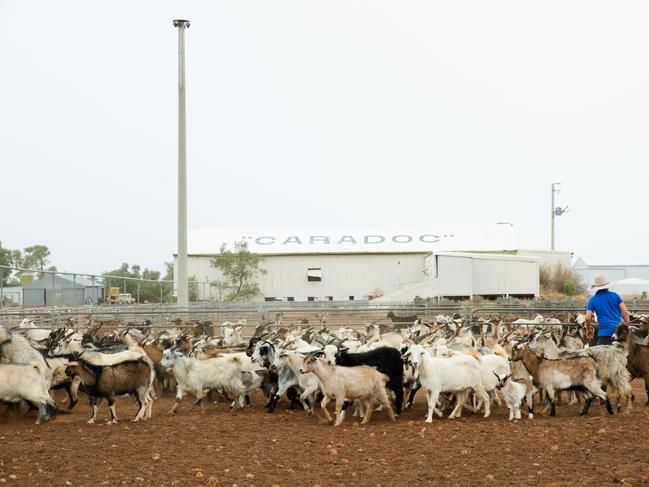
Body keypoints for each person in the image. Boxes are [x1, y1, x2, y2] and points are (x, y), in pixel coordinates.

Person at [584, 273, 630, 345]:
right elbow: (625, 312)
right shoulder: (615, 296)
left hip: (604, 334)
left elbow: (587, 318)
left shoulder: (593, 300)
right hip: (619, 334)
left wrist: (588, 329)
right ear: (607, 286)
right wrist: (627, 325)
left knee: (602, 355)